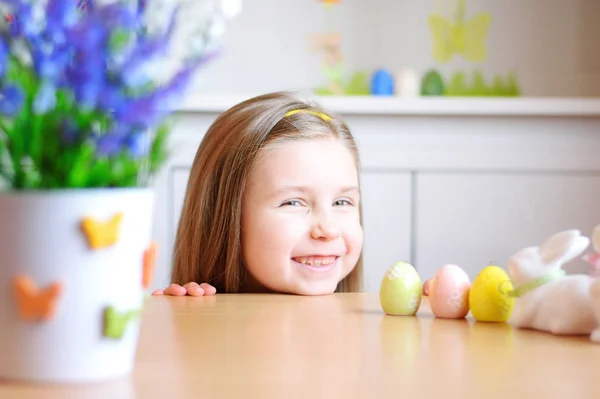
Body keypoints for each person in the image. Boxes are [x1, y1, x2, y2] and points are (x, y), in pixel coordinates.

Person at [152, 91, 364, 296]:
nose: (328, 229)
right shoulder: (194, 319)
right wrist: (182, 323)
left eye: (341, 202)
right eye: (293, 203)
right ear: (225, 217)